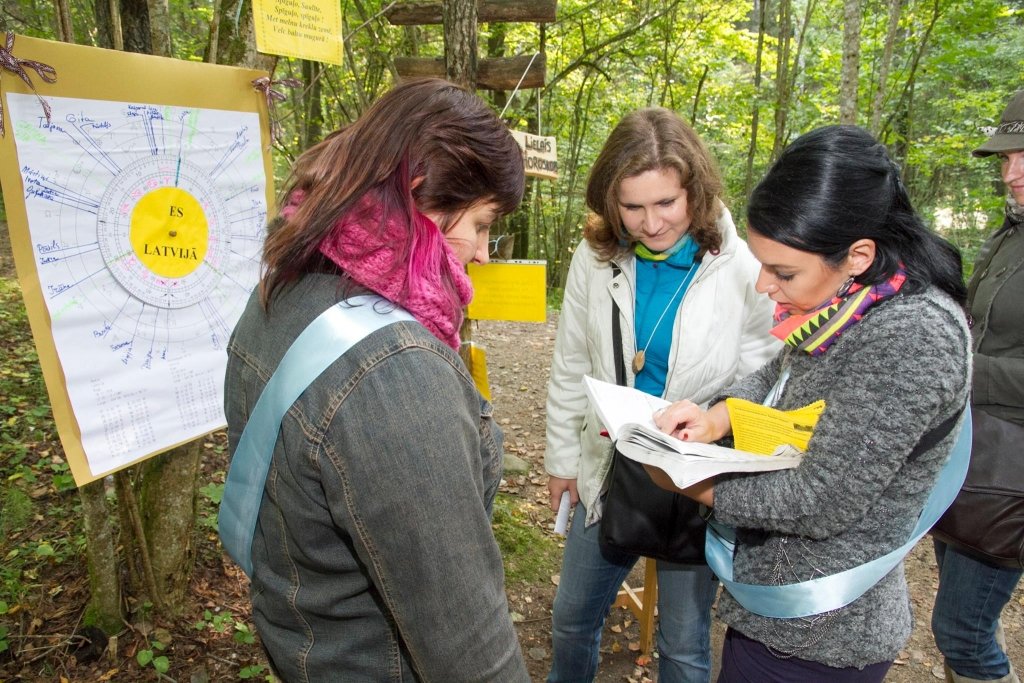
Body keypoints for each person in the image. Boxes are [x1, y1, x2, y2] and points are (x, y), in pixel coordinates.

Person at [222, 78, 529, 682]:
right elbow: (467, 645)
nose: (486, 252)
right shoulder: (396, 371)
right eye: (484, 222)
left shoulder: (285, 287)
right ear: (423, 197)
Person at [650, 125, 971, 681]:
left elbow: (824, 499)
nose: (763, 287)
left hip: (821, 630)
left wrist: (689, 481)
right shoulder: (851, 301)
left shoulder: (910, 334)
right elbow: (784, 374)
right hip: (780, 611)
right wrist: (716, 416)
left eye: (783, 272)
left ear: (857, 254)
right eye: (762, 266)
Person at [544, 107, 778, 683]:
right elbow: (573, 362)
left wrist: (714, 422)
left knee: (684, 646)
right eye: (633, 207)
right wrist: (562, 461)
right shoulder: (594, 259)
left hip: (693, 479)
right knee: (571, 620)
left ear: (694, 193)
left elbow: (765, 371)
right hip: (610, 466)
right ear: (609, 203)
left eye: (666, 204)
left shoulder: (740, 263)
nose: (651, 224)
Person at [931, 90, 1024, 683]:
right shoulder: (1008, 234)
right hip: (973, 459)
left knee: (961, 632)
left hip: (1012, 470)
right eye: (1006, 158)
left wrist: (960, 366)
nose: (1011, 174)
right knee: (964, 625)